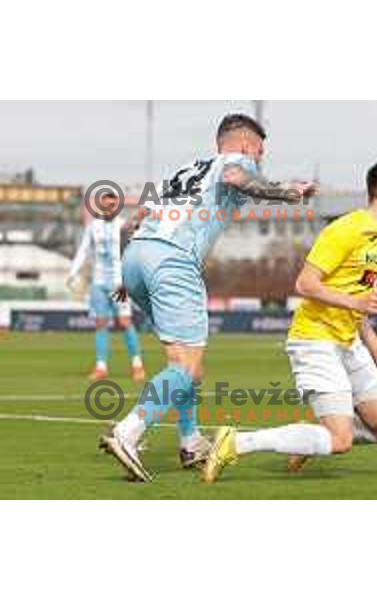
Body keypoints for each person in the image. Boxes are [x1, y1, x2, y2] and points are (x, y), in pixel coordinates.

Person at [100, 114, 317, 482]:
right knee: (186, 368)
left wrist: (127, 273)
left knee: (186, 366)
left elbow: (131, 222)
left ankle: (191, 442)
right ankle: (128, 432)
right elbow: (237, 177)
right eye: (260, 152)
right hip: (173, 260)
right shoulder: (236, 162)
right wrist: (289, 194)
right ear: (247, 145)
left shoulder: (183, 170)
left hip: (137, 257)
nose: (259, 160)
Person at [203, 160, 377, 484]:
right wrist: (357, 302)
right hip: (315, 341)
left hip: (349, 343)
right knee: (340, 441)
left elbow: (358, 308)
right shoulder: (347, 229)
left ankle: (310, 439)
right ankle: (235, 442)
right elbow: (305, 284)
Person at [67, 192, 145, 382]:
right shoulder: (93, 227)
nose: (108, 208)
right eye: (105, 205)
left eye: (112, 205)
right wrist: (72, 272)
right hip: (98, 282)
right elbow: (84, 250)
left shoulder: (124, 226)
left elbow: (136, 251)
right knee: (100, 324)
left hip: (120, 283)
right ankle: (101, 367)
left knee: (125, 322)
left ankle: (137, 365)